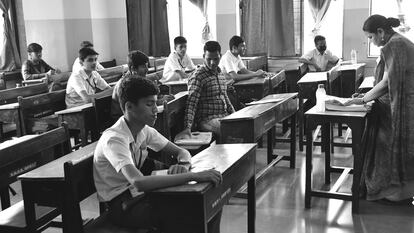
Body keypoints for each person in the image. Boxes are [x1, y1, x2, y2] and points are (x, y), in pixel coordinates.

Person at [93, 77, 223, 232]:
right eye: (149, 104)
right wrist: (194, 176)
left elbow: (182, 152)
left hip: (140, 196)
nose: (156, 109)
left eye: (156, 102)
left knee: (207, 198)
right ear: (129, 107)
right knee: (189, 209)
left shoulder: (143, 130)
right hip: (123, 206)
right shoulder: (114, 139)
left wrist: (184, 164)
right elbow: (138, 182)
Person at [345, 14, 414, 203]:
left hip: (400, 106)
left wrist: (364, 99)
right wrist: (366, 95)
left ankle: (393, 192)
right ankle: (394, 192)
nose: (370, 41)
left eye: (370, 37)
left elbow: (385, 83)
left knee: (389, 147)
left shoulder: (395, 44)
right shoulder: (396, 42)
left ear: (381, 32)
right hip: (398, 103)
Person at [176, 41, 235, 140]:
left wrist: (235, 114)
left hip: (224, 116)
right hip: (207, 120)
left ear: (220, 56)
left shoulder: (220, 74)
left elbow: (225, 97)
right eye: (209, 59)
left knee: (243, 126)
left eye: (216, 59)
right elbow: (191, 103)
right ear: (204, 56)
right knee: (230, 130)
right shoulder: (198, 76)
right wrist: (187, 128)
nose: (212, 63)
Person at [111, 50, 174, 119]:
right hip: (123, 120)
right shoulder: (125, 85)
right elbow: (136, 107)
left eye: (147, 66)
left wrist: (161, 98)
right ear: (133, 69)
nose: (147, 70)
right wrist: (160, 102)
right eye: (143, 67)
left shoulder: (137, 80)